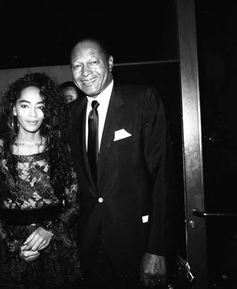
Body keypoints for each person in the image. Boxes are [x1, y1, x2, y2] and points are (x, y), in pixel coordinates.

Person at [67, 38, 176, 288]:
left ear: (111, 63)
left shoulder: (142, 100)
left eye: (93, 62)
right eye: (76, 65)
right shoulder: (69, 114)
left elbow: (163, 177)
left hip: (136, 244)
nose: (85, 72)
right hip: (88, 248)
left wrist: (157, 249)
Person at [0, 72, 81, 288]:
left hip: (54, 246)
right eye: (25, 105)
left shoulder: (60, 147)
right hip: (11, 246)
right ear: (13, 108)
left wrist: (50, 230)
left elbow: (75, 203)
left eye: (40, 106)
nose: (33, 113)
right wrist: (13, 246)